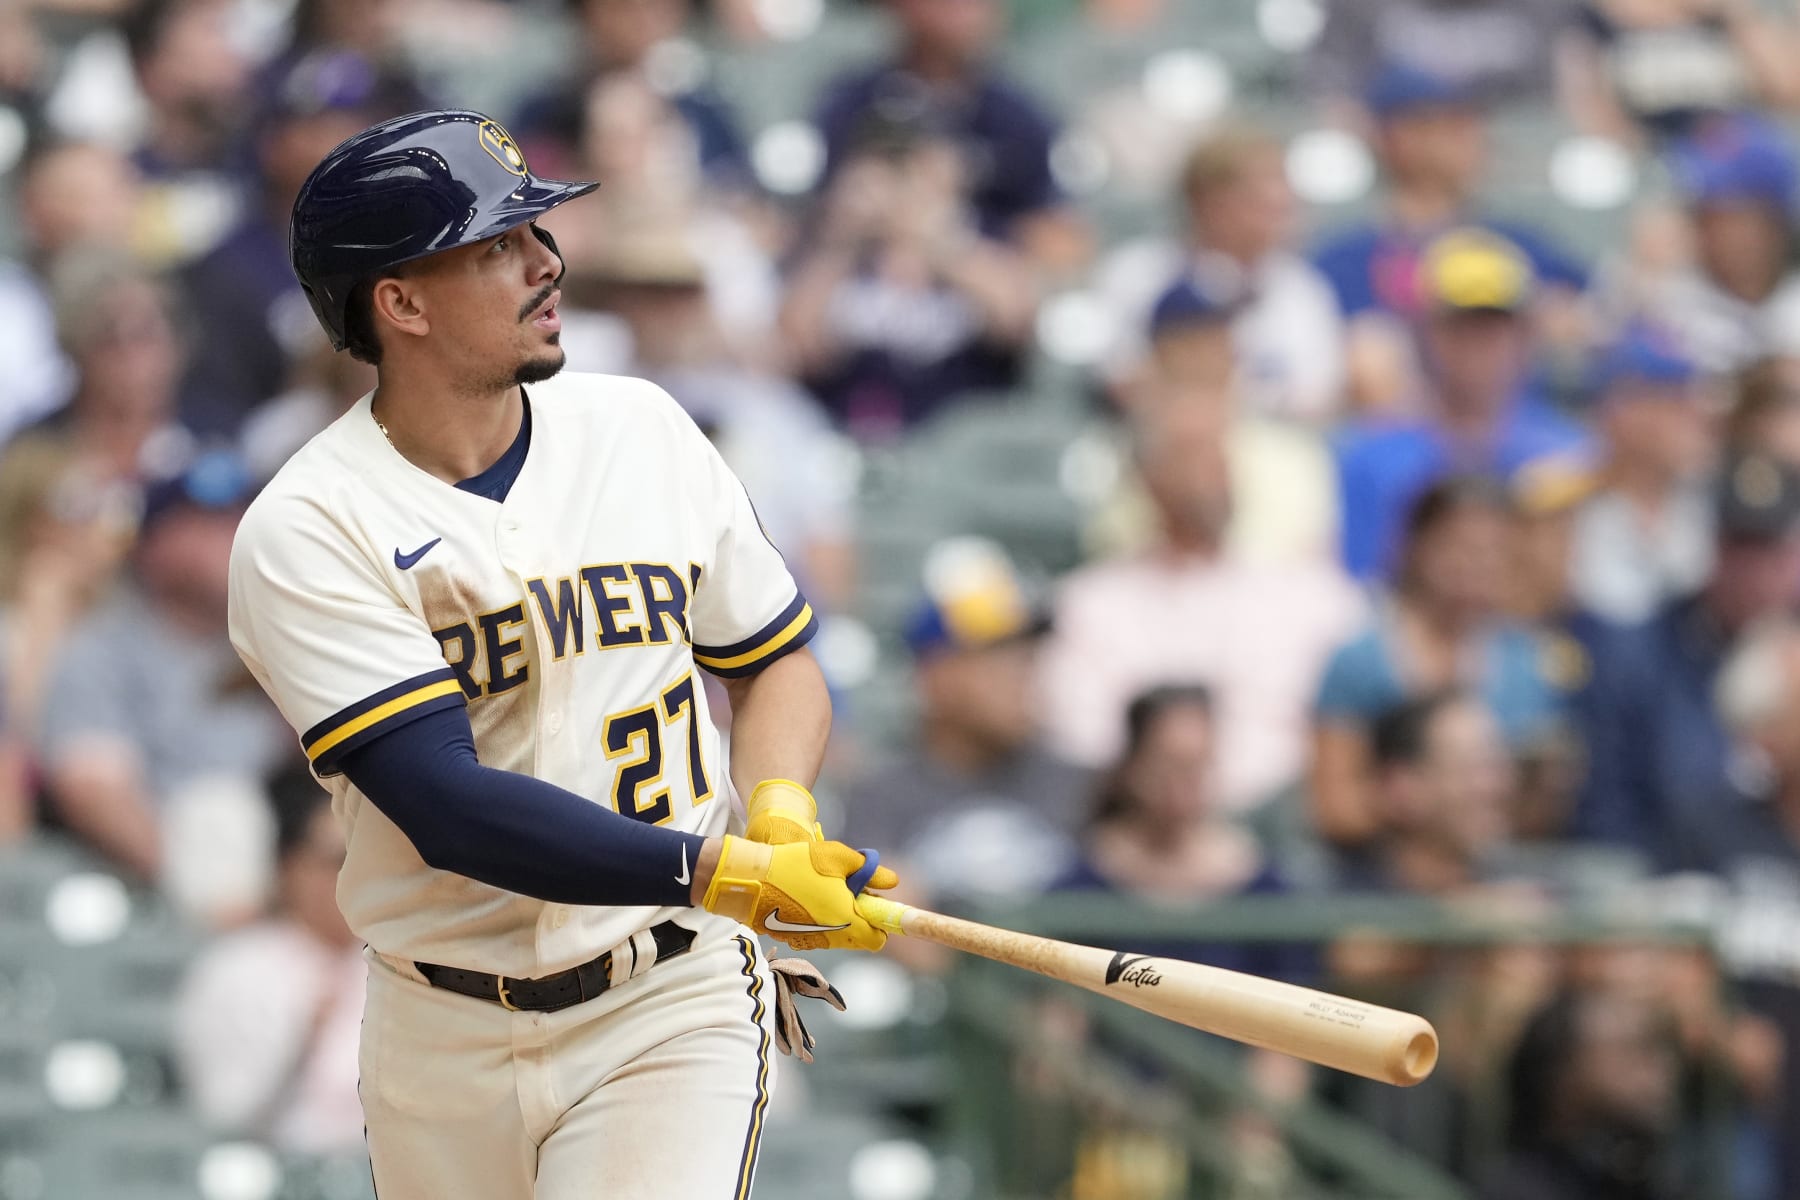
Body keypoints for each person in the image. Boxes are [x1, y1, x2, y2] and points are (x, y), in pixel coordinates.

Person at [229, 110, 897, 1199]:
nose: (548, 262)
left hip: (667, 997)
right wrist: (720, 869)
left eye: (536, 231)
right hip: (441, 1027)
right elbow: (447, 807)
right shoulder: (310, 524)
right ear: (401, 304)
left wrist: (778, 809)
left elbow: (773, 660)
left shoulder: (640, 429)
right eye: (499, 245)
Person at [1039, 365, 1362, 814]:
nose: (1217, 474)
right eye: (1193, 457)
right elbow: (1084, 738)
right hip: (1144, 823)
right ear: (1146, 479)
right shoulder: (1091, 605)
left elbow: (1357, 716)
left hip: (1291, 825)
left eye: (1221, 455)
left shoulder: (1311, 594)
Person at [35, 450, 289, 882]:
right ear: (151, 545)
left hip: (288, 886)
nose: (229, 535)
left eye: (237, 517)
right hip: (149, 886)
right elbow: (94, 791)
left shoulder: (271, 639)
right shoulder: (103, 647)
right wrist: (193, 897)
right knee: (218, 812)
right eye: (203, 521)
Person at [1574, 451, 1800, 865]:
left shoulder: (1791, 652)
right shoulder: (1638, 660)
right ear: (1712, 549)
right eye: (1740, 551)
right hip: (1669, 880)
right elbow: (1606, 816)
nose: (1756, 574)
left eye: (1773, 553)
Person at [1312, 478, 1565, 848]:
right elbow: (1337, 806)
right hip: (1381, 863)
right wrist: (1426, 805)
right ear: (1417, 546)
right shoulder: (1360, 661)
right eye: (1461, 545)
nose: (1477, 564)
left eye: (1494, 551)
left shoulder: (1525, 663)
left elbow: (1531, 810)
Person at [1333, 228, 1592, 580]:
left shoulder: (1571, 456)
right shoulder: (1370, 459)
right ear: (1425, 334)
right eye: (1459, 328)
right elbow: (1363, 585)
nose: (1477, 346)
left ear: (1524, 336)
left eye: (1494, 328)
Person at [178, 49, 411, 437]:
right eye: (324, 126)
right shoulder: (227, 270)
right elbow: (215, 413)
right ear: (272, 144)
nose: (350, 141)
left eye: (360, 123)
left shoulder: (406, 244)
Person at [844, 539, 1087, 897]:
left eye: (1030, 657)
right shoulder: (879, 797)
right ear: (936, 676)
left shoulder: (1081, 785)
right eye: (1003, 657)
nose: (1025, 676)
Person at [780, 111, 1038, 437]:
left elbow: (1014, 324)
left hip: (958, 430)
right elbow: (800, 348)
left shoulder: (979, 234)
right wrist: (845, 236)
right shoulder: (832, 245)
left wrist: (936, 241)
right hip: (843, 429)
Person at [1092, 123, 1347, 424]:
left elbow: (1316, 397)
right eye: (1255, 196)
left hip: (1266, 440)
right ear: (1205, 200)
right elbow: (1116, 377)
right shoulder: (1135, 273)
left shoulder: (1300, 287)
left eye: (1281, 192)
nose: (1277, 202)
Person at [810, 0, 1088, 273]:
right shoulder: (851, 104)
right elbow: (799, 225)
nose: (965, 10)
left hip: (973, 286)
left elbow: (1065, 245)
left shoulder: (1016, 116)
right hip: (860, 281)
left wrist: (948, 230)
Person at [173, 763, 365, 1152]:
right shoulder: (235, 969)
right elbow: (224, 1117)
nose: (356, 876)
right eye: (337, 860)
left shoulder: (397, 963)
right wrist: (302, 1039)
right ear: (290, 867)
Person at [1568, 324, 1717, 624]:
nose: (1696, 414)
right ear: (1622, 411)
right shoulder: (1566, 509)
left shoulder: (1711, 500)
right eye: (1674, 400)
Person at [1481, 988, 1685, 1200]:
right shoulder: (1517, 1190)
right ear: (1561, 1072)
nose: (1662, 1066)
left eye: (1663, 1048)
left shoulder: (1653, 1185)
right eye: (1635, 1047)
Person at [1561, 0, 1800, 145]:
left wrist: (1733, 17)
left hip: (1737, 150)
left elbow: (1787, 89)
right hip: (1654, 159)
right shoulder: (1590, 21)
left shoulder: (1725, 15)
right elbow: (1594, 117)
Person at [1309, 0, 1575, 113]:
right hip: (1394, 160)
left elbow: (1567, 101)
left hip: (1514, 163)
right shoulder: (1357, 8)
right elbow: (1332, 99)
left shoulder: (1545, 9)